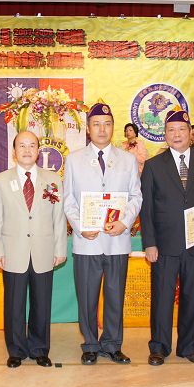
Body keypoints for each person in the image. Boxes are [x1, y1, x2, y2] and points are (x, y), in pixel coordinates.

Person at [140, 110, 194, 366]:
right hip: (164, 246)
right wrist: (150, 243)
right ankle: (159, 347)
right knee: (162, 299)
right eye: (171, 130)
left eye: (181, 129)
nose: (176, 134)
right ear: (164, 135)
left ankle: (189, 347)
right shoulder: (154, 166)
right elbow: (147, 209)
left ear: (191, 133)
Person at [63, 102, 142, 365]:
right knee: (87, 296)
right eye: (96, 124)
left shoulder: (127, 160)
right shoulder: (74, 159)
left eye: (107, 124)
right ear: (88, 128)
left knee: (115, 295)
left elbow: (136, 196)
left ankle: (112, 344)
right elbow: (68, 200)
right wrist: (79, 226)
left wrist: (125, 221)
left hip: (117, 240)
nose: (102, 129)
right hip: (87, 241)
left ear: (113, 127)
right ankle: (90, 344)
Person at [0, 131, 67, 368]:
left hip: (44, 250)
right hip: (13, 251)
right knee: (14, 305)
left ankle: (39, 349)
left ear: (38, 151)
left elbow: (58, 217)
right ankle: (16, 350)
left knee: (41, 303)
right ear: (14, 152)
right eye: (21, 145)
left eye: (31, 145)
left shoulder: (52, 179)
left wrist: (60, 248)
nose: (26, 150)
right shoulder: (0, 180)